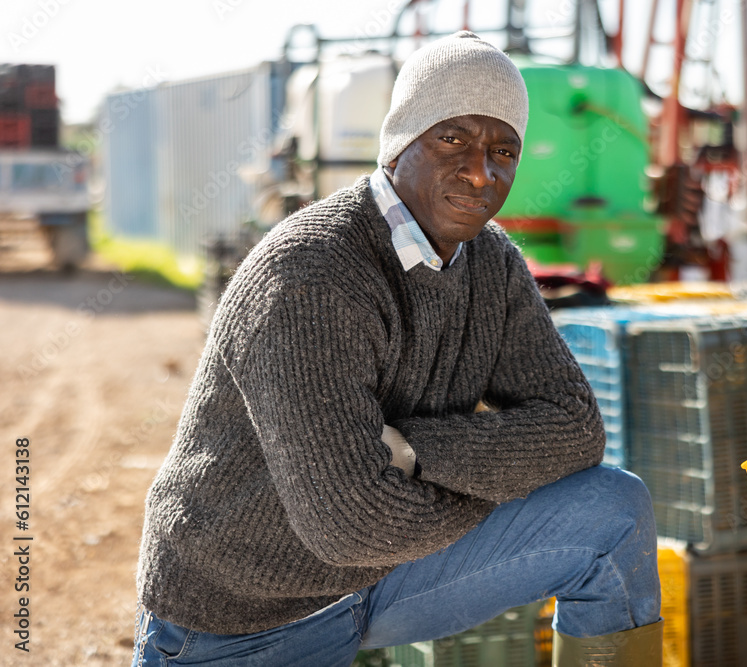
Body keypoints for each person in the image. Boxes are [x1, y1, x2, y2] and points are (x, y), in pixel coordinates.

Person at [132, 31, 662, 667]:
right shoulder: (311, 271)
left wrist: (413, 451)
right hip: (242, 618)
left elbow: (577, 431)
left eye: (503, 150)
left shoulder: (490, 261)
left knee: (613, 509)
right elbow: (350, 523)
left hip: (378, 581)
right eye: (452, 139)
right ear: (400, 139)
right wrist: (500, 475)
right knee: (367, 520)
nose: (479, 172)